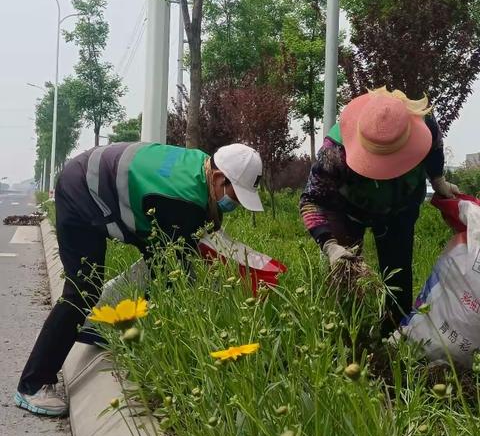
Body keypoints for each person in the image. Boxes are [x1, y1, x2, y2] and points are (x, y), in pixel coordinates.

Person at [15, 142, 264, 416]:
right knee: (83, 289)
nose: (235, 204)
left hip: (100, 181)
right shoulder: (182, 201)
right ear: (218, 178)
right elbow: (172, 277)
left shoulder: (202, 166)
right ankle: (33, 384)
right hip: (82, 191)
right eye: (236, 196)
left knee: (159, 263)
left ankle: (96, 328)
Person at [300, 87, 459, 335]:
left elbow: (435, 146)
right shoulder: (334, 153)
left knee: (398, 274)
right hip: (348, 209)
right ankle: (348, 333)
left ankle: (395, 335)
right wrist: (330, 245)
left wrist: (438, 180)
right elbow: (311, 200)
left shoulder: (423, 121)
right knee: (346, 271)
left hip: (401, 205)